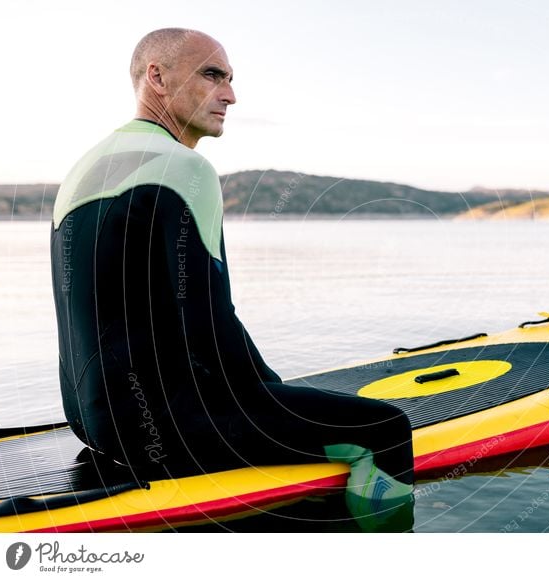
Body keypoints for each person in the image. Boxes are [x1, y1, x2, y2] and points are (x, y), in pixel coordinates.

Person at [50, 28, 414, 530]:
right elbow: (211, 324)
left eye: (230, 79)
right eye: (212, 75)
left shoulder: (83, 167)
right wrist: (274, 400)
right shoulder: (184, 168)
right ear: (156, 76)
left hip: (88, 417)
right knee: (386, 427)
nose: (230, 94)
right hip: (168, 431)